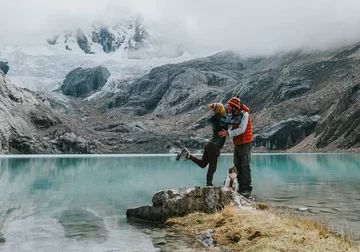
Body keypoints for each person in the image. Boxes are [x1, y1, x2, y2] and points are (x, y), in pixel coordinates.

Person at [176, 103, 228, 186]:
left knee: (203, 164)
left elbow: (210, 119)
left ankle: (188, 155)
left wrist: (213, 108)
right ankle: (209, 185)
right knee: (212, 167)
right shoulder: (222, 118)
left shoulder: (215, 118)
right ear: (221, 109)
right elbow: (230, 123)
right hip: (215, 146)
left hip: (209, 144)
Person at [218, 97, 253, 197]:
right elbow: (229, 124)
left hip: (245, 143)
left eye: (229, 106)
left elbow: (242, 129)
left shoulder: (245, 115)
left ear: (234, 107)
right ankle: (240, 188)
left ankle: (246, 189)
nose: (227, 108)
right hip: (237, 143)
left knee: (245, 165)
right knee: (237, 165)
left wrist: (228, 133)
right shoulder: (234, 115)